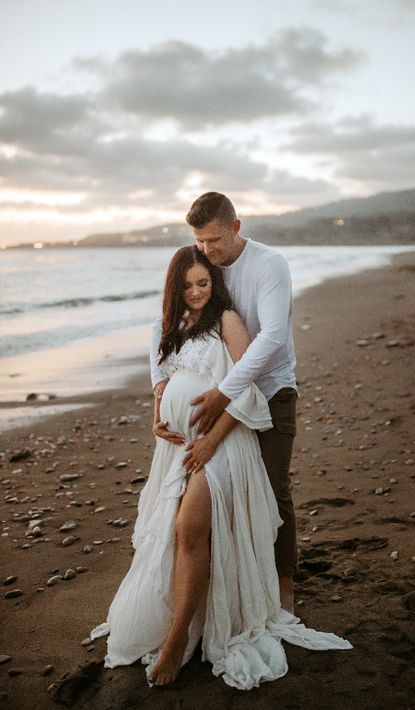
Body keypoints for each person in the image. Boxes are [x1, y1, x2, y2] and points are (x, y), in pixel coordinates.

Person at [90, 246, 352, 690]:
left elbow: (245, 387)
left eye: (203, 282)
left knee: (189, 529)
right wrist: (158, 416)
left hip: (224, 446)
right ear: (175, 287)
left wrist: (211, 441)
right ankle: (190, 620)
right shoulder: (172, 327)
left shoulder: (227, 320)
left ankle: (175, 642)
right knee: (175, 534)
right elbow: (164, 378)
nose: (195, 292)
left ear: (216, 283)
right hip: (180, 449)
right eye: (187, 285)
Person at [176, 191, 298, 613]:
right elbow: (167, 318)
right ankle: (233, 588)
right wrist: (160, 384)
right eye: (200, 241)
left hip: (271, 390)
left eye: (214, 240)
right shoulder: (205, 264)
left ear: (235, 227)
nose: (207, 250)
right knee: (222, 490)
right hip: (222, 399)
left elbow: (273, 337)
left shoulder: (268, 265)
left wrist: (228, 390)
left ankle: (283, 592)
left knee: (272, 489)